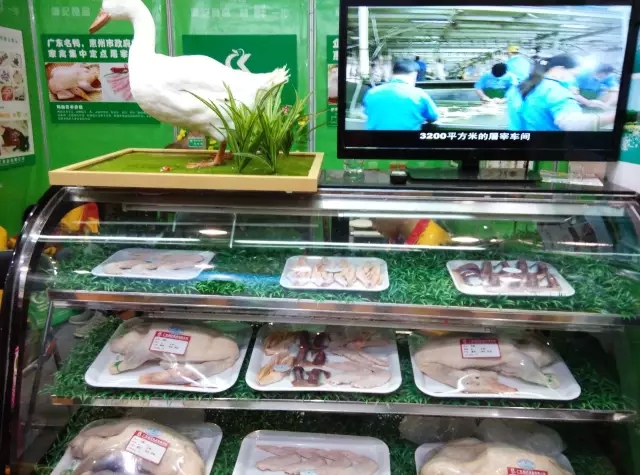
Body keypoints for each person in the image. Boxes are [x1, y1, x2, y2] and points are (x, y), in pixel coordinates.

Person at [506, 54, 615, 131]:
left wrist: (589, 103)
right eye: (574, 75)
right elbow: (573, 124)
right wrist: (613, 117)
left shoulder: (518, 87)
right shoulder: (556, 91)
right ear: (559, 69)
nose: (573, 79)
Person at [363, 59, 439, 131]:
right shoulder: (419, 94)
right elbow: (433, 116)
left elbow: (367, 113)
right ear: (414, 75)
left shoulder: (371, 93)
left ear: (392, 74)